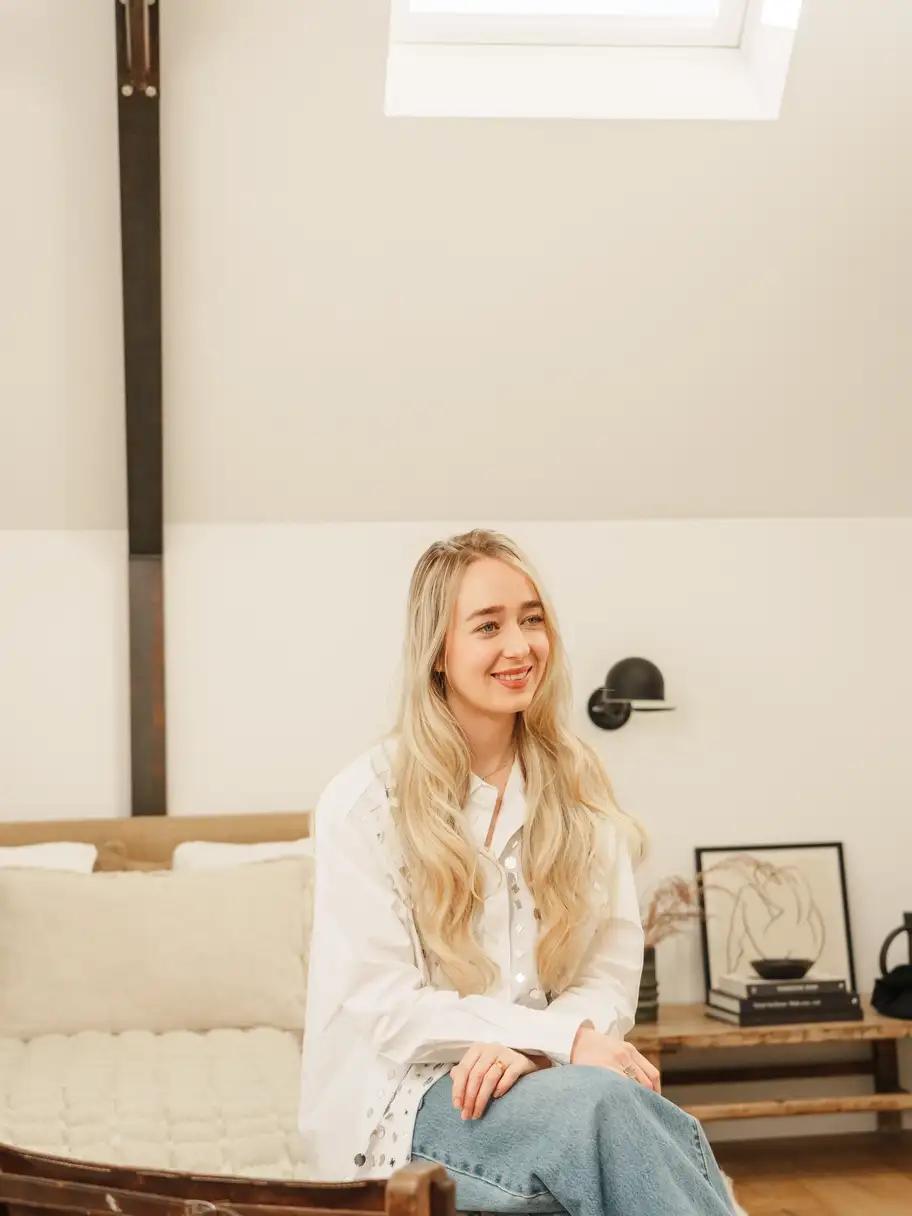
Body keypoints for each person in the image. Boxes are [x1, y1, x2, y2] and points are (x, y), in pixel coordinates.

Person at [299, 529, 736, 1215]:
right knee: (607, 1109)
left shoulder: (577, 786)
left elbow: (609, 970)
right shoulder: (366, 803)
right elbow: (389, 1008)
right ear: (437, 652)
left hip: (549, 1081)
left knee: (613, 1117)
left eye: (532, 620)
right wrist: (558, 1040)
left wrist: (536, 1052)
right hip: (404, 1101)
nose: (520, 646)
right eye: (488, 626)